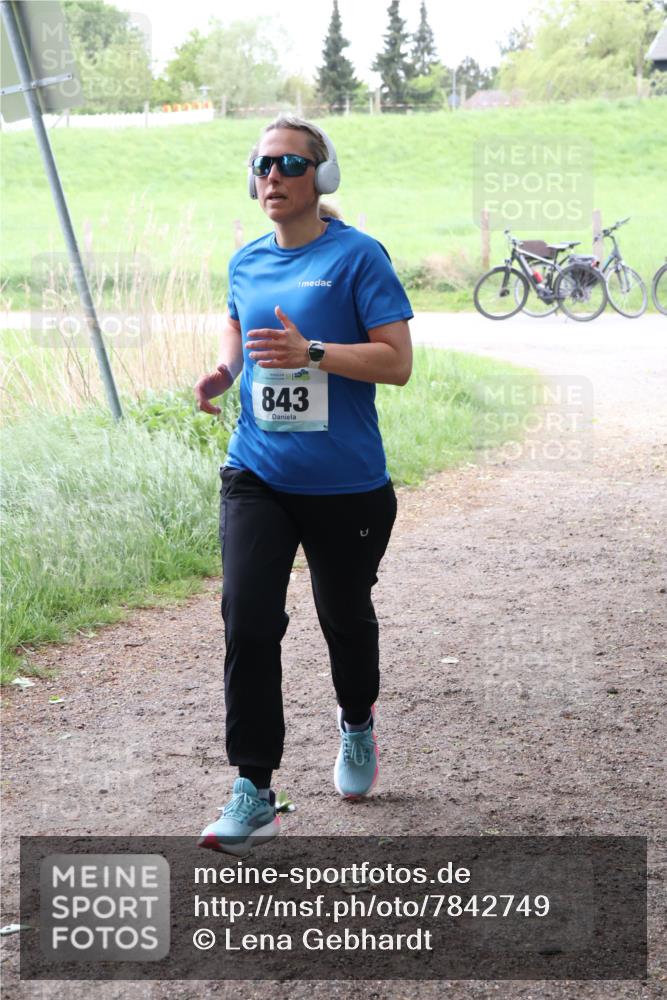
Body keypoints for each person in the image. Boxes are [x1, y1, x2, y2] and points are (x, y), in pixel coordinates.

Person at [194, 115, 413, 856]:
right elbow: (239, 324)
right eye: (263, 164)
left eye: (291, 163)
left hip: (347, 483)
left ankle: (356, 722)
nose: (274, 176)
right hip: (257, 471)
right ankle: (254, 790)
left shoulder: (358, 257)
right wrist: (225, 371)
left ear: (322, 176)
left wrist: (311, 351)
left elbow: (396, 362)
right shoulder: (247, 260)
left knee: (343, 617)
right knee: (248, 617)